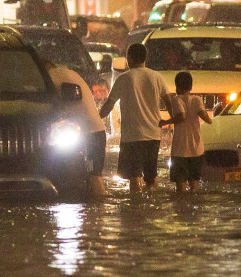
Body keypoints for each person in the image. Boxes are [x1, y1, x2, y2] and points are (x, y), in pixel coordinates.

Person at [99, 43, 172, 193]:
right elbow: (170, 104)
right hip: (153, 135)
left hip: (132, 137)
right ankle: (151, 206)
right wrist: (172, 121)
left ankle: (136, 208)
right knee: (151, 178)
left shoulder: (124, 78)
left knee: (134, 177)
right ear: (145, 58)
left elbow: (109, 105)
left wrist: (95, 118)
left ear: (129, 58)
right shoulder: (157, 77)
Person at [45, 61, 107, 197]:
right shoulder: (68, 72)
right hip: (91, 132)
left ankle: (99, 206)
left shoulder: (53, 76)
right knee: (91, 175)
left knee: (93, 175)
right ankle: (95, 211)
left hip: (90, 134)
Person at [159, 71, 212, 193]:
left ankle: (182, 209)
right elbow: (206, 119)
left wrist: (165, 122)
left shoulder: (176, 100)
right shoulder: (197, 99)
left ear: (177, 86)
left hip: (180, 150)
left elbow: (181, 116)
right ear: (191, 87)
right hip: (197, 149)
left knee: (180, 186)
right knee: (194, 184)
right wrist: (211, 117)